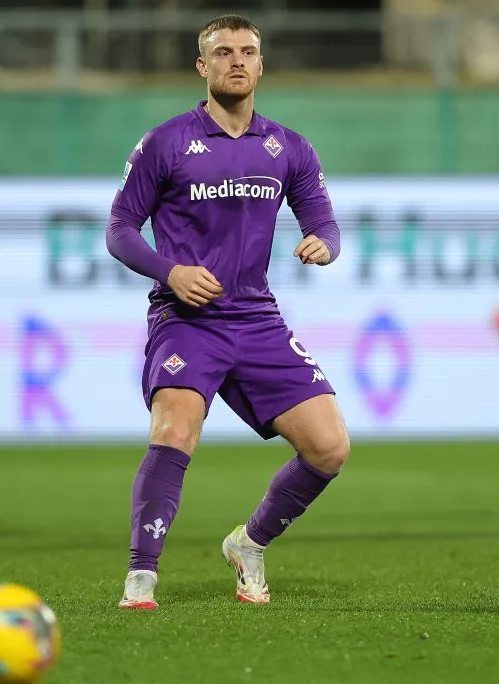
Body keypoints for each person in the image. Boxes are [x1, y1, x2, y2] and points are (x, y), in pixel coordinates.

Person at [106, 14, 350, 608]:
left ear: (261, 65)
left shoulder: (289, 147)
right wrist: (171, 271)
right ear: (202, 66)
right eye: (223, 52)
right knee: (175, 429)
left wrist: (324, 244)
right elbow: (120, 230)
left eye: (247, 51)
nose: (236, 60)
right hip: (186, 319)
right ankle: (141, 576)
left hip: (257, 320)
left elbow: (325, 223)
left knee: (329, 448)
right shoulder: (165, 143)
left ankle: (249, 543)